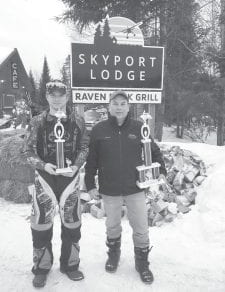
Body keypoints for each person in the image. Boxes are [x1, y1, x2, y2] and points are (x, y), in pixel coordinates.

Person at [84, 90, 167, 285]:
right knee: (112, 225)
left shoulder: (140, 128)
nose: (119, 107)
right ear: (109, 106)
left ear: (129, 106)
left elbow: (154, 151)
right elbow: (92, 160)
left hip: (135, 186)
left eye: (123, 103)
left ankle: (142, 262)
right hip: (109, 187)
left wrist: (161, 170)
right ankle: (113, 255)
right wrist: (89, 184)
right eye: (115, 103)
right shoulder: (99, 129)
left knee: (140, 227)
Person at [23, 81, 89, 288]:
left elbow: (85, 147)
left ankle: (71, 264)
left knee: (72, 221)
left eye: (61, 95)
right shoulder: (37, 122)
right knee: (41, 223)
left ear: (67, 97)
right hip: (46, 178)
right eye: (53, 95)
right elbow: (27, 151)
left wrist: (77, 166)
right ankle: (42, 267)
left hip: (70, 178)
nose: (58, 98)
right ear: (47, 97)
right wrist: (43, 165)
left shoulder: (77, 120)